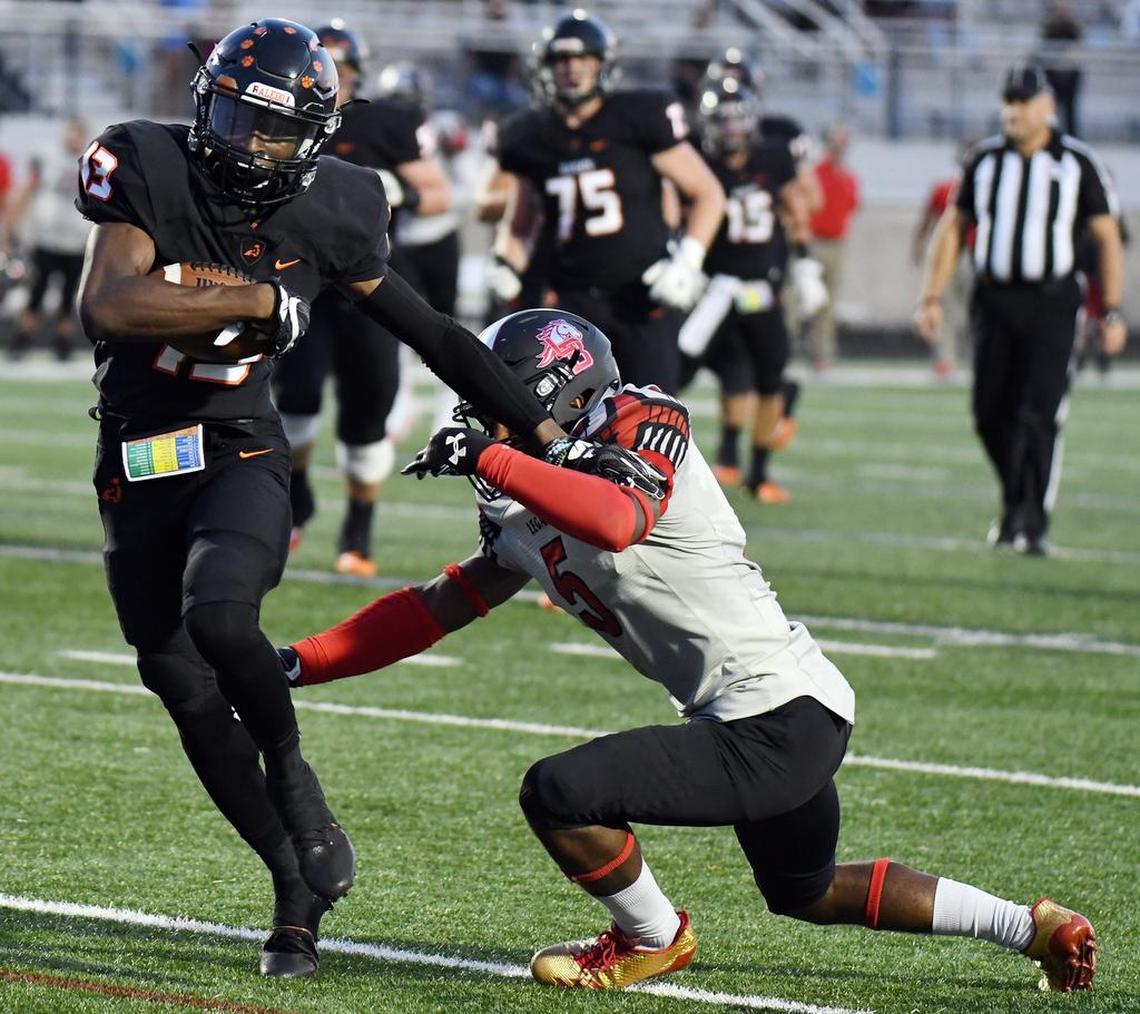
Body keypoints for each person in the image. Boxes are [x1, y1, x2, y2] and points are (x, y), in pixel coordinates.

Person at [276, 307, 1097, 995]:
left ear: (559, 394)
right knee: (804, 891)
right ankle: (1031, 927)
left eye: (491, 400)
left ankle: (651, 937)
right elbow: (439, 606)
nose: (474, 417)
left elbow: (617, 519)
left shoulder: (639, 416)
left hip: (776, 712)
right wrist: (298, 664)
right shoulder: (520, 497)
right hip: (763, 713)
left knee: (560, 793)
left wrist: (494, 455)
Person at [74, 17, 589, 979]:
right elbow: (108, 305)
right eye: (234, 116)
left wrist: (550, 437)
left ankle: (294, 772)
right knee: (175, 677)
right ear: (205, 101)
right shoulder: (147, 162)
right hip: (135, 458)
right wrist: (257, 302)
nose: (246, 144)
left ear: (312, 139)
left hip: (239, 448)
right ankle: (290, 889)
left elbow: (436, 334)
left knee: (223, 621)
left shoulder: (334, 206)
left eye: (272, 131)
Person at [916, 63, 1126, 556]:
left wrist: (1111, 311)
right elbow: (951, 227)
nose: (1014, 111)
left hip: (1052, 300)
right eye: (1009, 101)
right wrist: (930, 296)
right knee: (989, 412)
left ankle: (1031, 522)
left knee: (1038, 412)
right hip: (992, 298)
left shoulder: (1077, 162)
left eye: (1024, 101)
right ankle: (1015, 500)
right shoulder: (984, 160)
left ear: (1047, 106)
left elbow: (1108, 238)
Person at [271, 23, 453, 578]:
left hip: (370, 287)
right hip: (303, 283)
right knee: (296, 397)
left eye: (341, 72)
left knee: (368, 413)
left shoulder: (386, 122)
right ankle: (298, 496)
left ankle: (358, 530)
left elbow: (441, 193)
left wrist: (401, 190)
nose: (329, 81)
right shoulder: (282, 117)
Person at [485, 10, 725, 394]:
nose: (572, 69)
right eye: (561, 60)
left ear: (603, 64)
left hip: (640, 292)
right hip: (569, 299)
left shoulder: (637, 116)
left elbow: (707, 192)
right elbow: (521, 218)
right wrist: (505, 262)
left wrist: (688, 260)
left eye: (583, 59)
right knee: (562, 422)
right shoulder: (529, 133)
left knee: (653, 417)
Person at [677, 77, 812, 504]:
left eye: (738, 120)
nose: (732, 129)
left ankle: (757, 471)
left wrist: (805, 261)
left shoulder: (771, 157)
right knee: (674, 370)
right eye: (724, 120)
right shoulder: (698, 161)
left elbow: (796, 205)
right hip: (711, 291)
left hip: (759, 290)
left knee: (770, 379)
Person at [2, 118, 92, 360]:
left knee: (69, 295)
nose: (74, 139)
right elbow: (26, 191)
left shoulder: (90, 162)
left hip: (75, 242)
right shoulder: (47, 157)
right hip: (46, 240)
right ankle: (21, 340)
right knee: (37, 292)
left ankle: (63, 344)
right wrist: (11, 229)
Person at [911, 141, 975, 379]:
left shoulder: (990, 185)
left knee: (974, 307)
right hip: (952, 252)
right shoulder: (943, 189)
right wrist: (918, 248)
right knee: (944, 305)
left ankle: (974, 356)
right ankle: (946, 358)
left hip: (975, 252)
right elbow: (929, 222)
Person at [805, 121, 859, 371]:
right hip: (814, 243)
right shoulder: (815, 173)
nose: (840, 148)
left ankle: (821, 354)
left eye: (843, 143)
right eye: (836, 142)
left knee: (828, 304)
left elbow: (851, 208)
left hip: (837, 244)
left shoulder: (848, 178)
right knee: (800, 299)